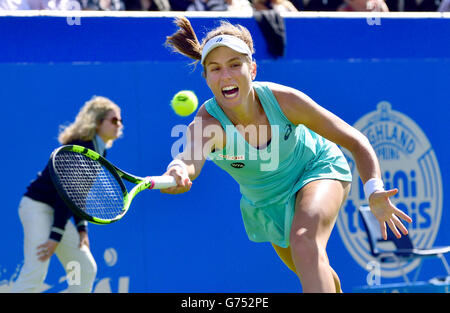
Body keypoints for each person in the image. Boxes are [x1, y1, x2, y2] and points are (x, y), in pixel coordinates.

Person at [162, 17, 413, 293]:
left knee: (305, 240)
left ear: (253, 69)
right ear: (207, 78)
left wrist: (374, 190)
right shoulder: (208, 125)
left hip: (317, 168)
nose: (226, 76)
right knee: (319, 271)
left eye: (235, 65)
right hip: (268, 202)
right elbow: (188, 159)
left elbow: (356, 141)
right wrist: (178, 171)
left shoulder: (284, 101)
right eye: (215, 69)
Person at [11, 96, 123, 293]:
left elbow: (79, 193)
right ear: (97, 122)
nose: (119, 125)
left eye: (120, 120)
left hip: (56, 212)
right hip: (37, 206)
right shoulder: (80, 146)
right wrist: (55, 236)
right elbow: (66, 194)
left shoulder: (99, 150)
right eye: (114, 120)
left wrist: (81, 228)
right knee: (35, 272)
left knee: (86, 269)